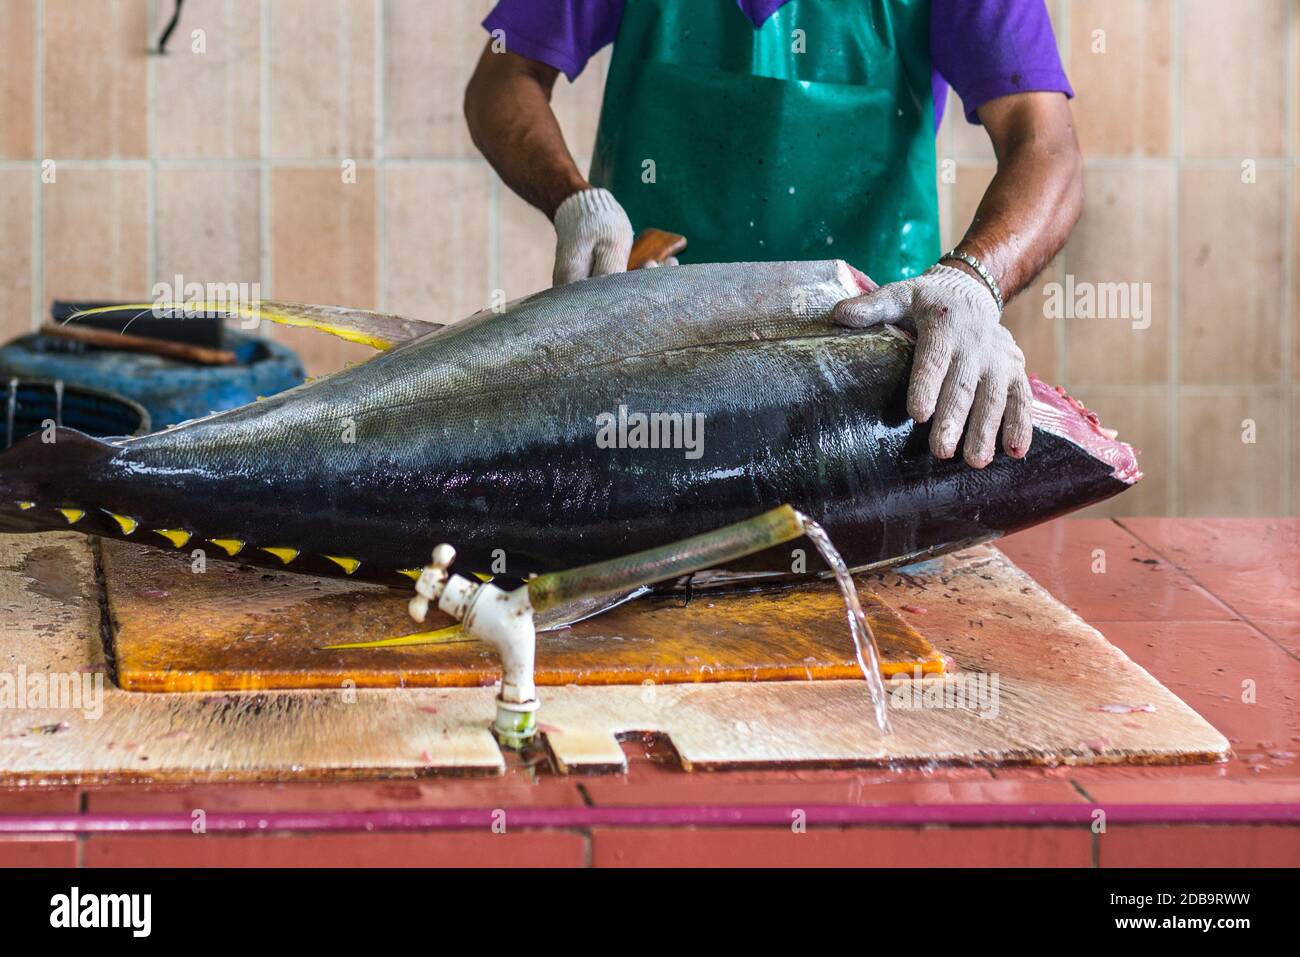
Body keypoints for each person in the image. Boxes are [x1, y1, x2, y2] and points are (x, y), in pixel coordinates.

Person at [464, 1, 1082, 469]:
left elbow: (1046, 146)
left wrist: (974, 280)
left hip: (872, 389)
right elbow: (502, 76)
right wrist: (576, 202)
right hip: (644, 374)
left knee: (879, 610)